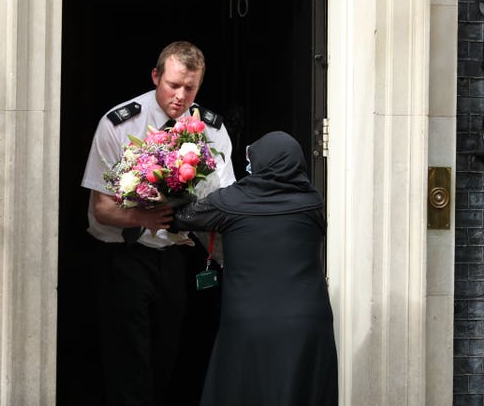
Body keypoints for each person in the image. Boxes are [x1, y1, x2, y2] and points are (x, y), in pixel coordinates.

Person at [80, 40, 236, 406]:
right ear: (155, 76)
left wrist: (191, 215)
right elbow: (101, 208)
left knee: (170, 354)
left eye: (190, 88)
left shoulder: (210, 130)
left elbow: (226, 199)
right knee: (128, 360)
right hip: (125, 255)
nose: (180, 96)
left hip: (179, 258)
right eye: (173, 85)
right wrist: (143, 216)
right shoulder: (119, 123)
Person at [172, 131, 338, 406]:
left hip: (250, 323)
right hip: (308, 324)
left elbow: (180, 218)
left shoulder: (230, 202)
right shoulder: (314, 203)